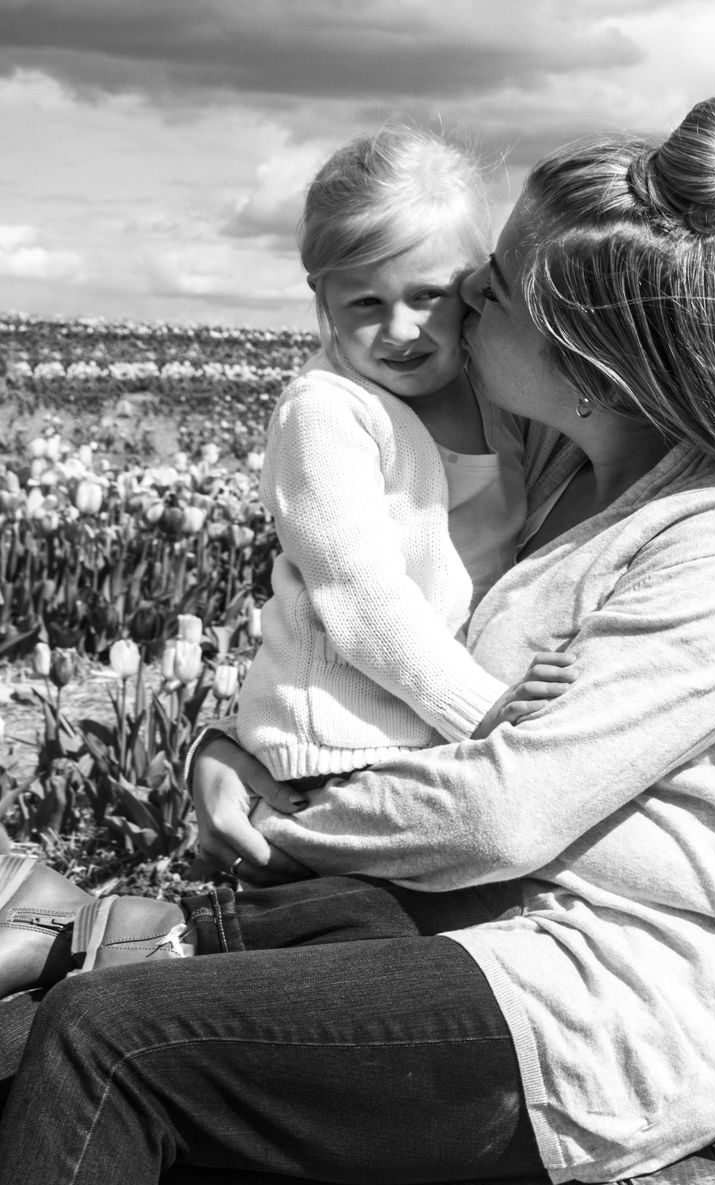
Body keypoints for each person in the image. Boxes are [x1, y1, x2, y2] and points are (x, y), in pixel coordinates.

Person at [0, 94, 715, 1185]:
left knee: (104, 1041)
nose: (461, 303)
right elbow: (371, 627)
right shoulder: (572, 483)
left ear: (584, 361)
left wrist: (284, 821)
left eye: (491, 292)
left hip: (598, 1010)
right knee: (29, 1034)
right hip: (466, 926)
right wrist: (228, 741)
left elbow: (506, 808)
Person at [234, 124, 565, 786]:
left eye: (426, 296)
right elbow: (359, 593)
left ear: (476, 284)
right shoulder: (327, 412)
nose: (400, 329)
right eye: (366, 302)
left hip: (440, 724)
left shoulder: (496, 390)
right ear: (322, 297)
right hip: (340, 738)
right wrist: (477, 707)